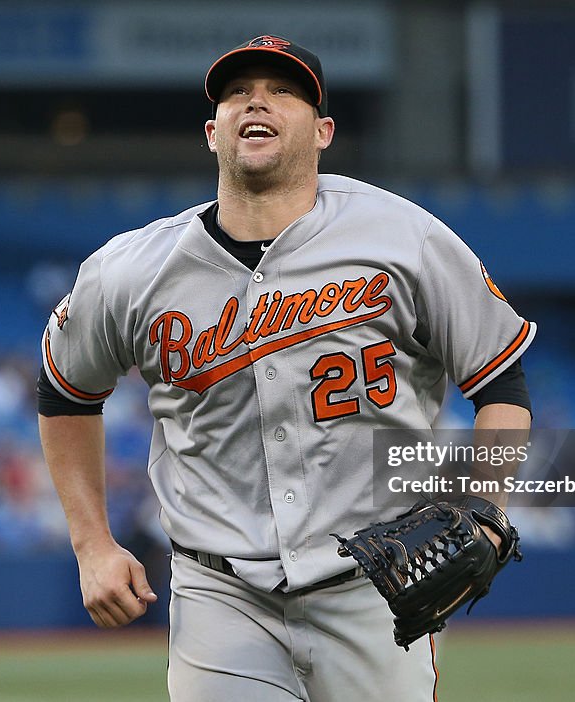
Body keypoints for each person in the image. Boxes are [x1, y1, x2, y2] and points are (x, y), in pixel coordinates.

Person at [37, 35, 535, 701]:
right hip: (220, 594)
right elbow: (66, 391)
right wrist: (91, 544)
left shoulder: (404, 238)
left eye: (282, 92)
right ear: (212, 132)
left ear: (323, 130)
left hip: (377, 588)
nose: (256, 103)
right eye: (238, 93)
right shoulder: (133, 269)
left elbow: (500, 380)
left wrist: (485, 509)